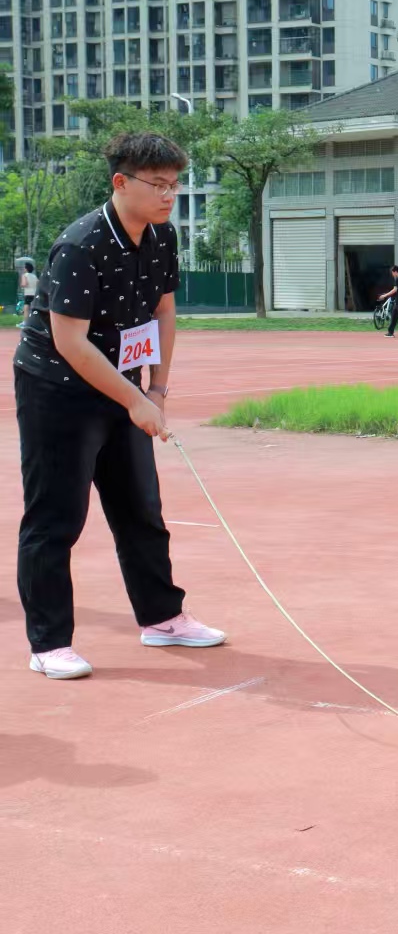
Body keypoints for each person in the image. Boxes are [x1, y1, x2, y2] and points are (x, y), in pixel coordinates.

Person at [14, 133, 227, 680]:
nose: (168, 195)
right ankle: (48, 643)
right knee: (56, 517)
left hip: (124, 384)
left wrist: (156, 391)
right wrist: (135, 399)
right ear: (120, 183)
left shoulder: (161, 236)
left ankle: (162, 618)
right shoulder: (81, 245)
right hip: (58, 388)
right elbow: (70, 343)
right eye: (157, 185)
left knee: (140, 508)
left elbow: (164, 311)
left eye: (174, 185)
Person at [18, 261, 38, 326]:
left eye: (24, 267)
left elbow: (24, 284)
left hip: (28, 294)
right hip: (34, 294)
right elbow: (38, 283)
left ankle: (25, 322)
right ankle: (33, 323)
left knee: (26, 309)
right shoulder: (34, 276)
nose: (23, 269)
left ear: (26, 269)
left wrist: (21, 285)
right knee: (33, 309)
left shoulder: (24, 275)